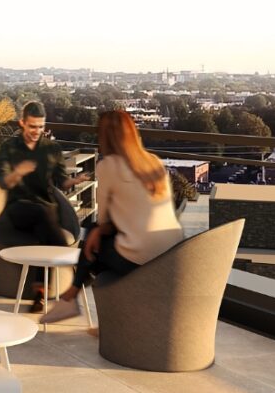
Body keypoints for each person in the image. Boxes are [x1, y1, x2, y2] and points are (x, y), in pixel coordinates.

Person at [41, 110, 184, 324]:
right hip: (173, 253)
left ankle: (70, 298)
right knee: (97, 237)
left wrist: (99, 230)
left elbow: (103, 219)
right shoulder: (153, 161)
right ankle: (83, 304)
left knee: (92, 238)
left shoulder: (108, 166)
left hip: (141, 258)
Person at [0, 101, 91, 309]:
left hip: (45, 211)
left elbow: (62, 182)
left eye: (41, 127)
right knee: (45, 214)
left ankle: (39, 296)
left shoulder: (51, 149)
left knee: (44, 233)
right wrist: (18, 172)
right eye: (32, 126)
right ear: (22, 123)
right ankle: (82, 268)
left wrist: (74, 181)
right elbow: (3, 182)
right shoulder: (9, 148)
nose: (37, 131)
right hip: (18, 208)